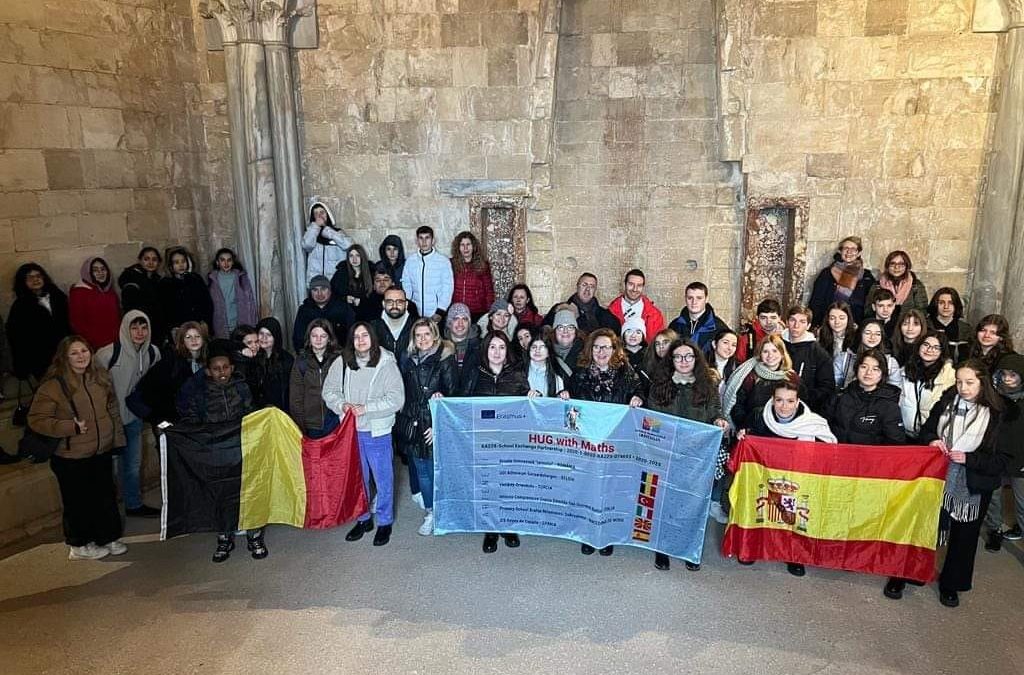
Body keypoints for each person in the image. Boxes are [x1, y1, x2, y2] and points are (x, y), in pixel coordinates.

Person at [885, 360, 1009, 608]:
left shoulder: (999, 413)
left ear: (983, 382)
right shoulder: (947, 400)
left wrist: (970, 459)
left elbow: (1004, 459)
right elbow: (927, 430)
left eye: (970, 382)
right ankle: (909, 572)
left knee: (965, 536)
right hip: (937, 473)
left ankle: (951, 583)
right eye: (959, 382)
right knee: (922, 526)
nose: (963, 388)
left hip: (973, 481)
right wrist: (932, 440)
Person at [28, 336, 127, 561]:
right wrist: (69, 427)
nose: (81, 356)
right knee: (78, 502)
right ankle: (79, 544)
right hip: (71, 455)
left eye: (84, 351)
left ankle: (107, 537)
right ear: (64, 357)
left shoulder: (100, 378)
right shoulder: (54, 386)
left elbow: (112, 409)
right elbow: (37, 419)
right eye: (74, 353)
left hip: (100, 450)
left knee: (105, 496)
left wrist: (116, 439)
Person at [646, 338, 729, 571]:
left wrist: (719, 421)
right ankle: (662, 547)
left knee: (693, 503)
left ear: (696, 359)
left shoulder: (707, 385)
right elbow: (652, 419)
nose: (683, 361)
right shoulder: (659, 386)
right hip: (667, 454)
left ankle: (691, 548)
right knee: (666, 502)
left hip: (697, 456)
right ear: (671, 360)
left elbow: (715, 412)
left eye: (689, 356)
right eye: (678, 357)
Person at [739, 379, 837, 577]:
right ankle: (752, 545)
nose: (784, 406)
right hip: (766, 475)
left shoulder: (813, 424)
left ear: (798, 401)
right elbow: (750, 439)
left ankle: (794, 554)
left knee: (797, 513)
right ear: (772, 399)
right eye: (779, 400)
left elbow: (828, 452)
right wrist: (743, 435)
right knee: (758, 506)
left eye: (790, 401)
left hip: (798, 478)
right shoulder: (759, 415)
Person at [176, 339, 261, 562]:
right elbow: (192, 421)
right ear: (208, 371)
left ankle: (254, 534)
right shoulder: (200, 395)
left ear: (232, 368)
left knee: (248, 491)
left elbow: (252, 414)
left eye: (225, 367)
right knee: (220, 495)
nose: (221, 372)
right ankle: (224, 536)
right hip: (215, 454)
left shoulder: (242, 388)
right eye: (216, 369)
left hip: (241, 449)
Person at [323, 322, 405, 547]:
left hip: (377, 431)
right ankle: (363, 518)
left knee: (383, 479)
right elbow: (329, 391)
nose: (360, 340)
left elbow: (397, 399)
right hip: (350, 431)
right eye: (356, 336)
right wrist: (342, 405)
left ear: (373, 338)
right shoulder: (342, 362)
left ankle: (385, 521)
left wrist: (367, 408)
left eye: (365, 335)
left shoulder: (386, 363)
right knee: (357, 479)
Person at [569, 328, 643, 557]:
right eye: (597, 347)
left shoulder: (626, 373)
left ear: (614, 350)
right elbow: (570, 404)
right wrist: (564, 395)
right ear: (590, 349)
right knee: (587, 487)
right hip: (588, 441)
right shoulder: (579, 374)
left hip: (614, 440)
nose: (601, 352)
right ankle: (587, 533)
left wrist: (638, 397)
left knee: (611, 488)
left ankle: (607, 534)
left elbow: (640, 390)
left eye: (606, 347)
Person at [466, 331, 530, 553]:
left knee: (508, 484)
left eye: (501, 347)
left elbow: (527, 407)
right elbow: (460, 402)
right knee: (488, 485)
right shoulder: (475, 373)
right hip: (483, 439)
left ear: (507, 351)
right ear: (486, 350)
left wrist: (533, 396)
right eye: (492, 347)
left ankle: (508, 526)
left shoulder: (518, 374)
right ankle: (490, 530)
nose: (497, 352)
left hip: (510, 441)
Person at [95, 311, 162, 517]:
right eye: (134, 328)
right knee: (107, 468)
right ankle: (105, 510)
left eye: (144, 327)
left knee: (133, 465)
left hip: (133, 419)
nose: (140, 332)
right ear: (125, 328)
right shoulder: (107, 354)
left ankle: (133, 504)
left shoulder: (152, 353)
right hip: (109, 420)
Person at [396, 318, 456, 536]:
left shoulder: (445, 359)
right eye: (418, 335)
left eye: (427, 334)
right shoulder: (407, 359)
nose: (422, 339)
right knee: (421, 470)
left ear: (435, 335)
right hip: (413, 422)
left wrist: (438, 423)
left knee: (436, 470)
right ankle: (430, 512)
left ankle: (444, 510)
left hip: (434, 421)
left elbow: (453, 394)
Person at [127, 321, 208, 426]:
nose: (194, 340)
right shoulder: (171, 361)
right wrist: (160, 421)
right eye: (188, 337)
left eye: (197, 336)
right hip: (176, 422)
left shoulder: (209, 361)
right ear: (182, 341)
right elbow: (145, 393)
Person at [983, 354, 1024, 551]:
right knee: (993, 496)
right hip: (996, 455)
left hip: (1021, 458)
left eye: (1013, 375)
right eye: (1004, 374)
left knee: (1022, 501)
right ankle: (995, 530)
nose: (1007, 379)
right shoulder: (993, 398)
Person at [722, 334, 801, 434]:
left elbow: (801, 407)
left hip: (784, 432)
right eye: (765, 351)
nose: (770, 355)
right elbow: (738, 407)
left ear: (782, 354)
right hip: (753, 432)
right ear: (760, 354)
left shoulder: (792, 378)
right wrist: (746, 426)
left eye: (774, 351)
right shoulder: (749, 376)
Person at [6, 263, 70, 383]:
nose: (35, 280)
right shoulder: (20, 306)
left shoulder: (58, 296)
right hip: (41, 357)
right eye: (30, 277)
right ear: (23, 281)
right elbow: (16, 337)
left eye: (38, 276)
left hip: (64, 350)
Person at [827, 349, 906, 445]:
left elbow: (895, 443)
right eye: (864, 367)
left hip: (872, 454)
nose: (868, 372)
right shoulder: (840, 397)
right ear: (856, 369)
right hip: (839, 452)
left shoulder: (889, 406)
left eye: (875, 369)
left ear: (882, 374)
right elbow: (824, 431)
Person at [289, 319, 342, 438]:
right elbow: (296, 398)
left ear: (329, 338)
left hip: (335, 421)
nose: (318, 340)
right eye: (314, 336)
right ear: (309, 337)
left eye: (323, 336)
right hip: (311, 424)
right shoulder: (301, 362)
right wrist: (300, 426)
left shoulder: (339, 360)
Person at [899, 331, 956, 441]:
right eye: (926, 345)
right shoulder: (905, 371)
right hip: (905, 435)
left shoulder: (950, 376)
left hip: (932, 437)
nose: (929, 350)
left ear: (942, 352)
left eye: (936, 347)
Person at [808, 236, 877, 326]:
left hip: (855, 325)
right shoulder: (827, 274)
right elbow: (816, 302)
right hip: (829, 323)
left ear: (859, 253)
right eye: (846, 248)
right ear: (840, 251)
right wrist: (817, 325)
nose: (849, 252)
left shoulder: (867, 277)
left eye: (853, 249)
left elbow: (869, 305)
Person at [781, 305, 834, 410]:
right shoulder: (777, 345)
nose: (796, 325)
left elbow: (827, 387)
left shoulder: (819, 353)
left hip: (805, 407)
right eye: (792, 320)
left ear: (808, 326)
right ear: (786, 322)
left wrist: (805, 396)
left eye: (802, 322)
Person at [159, 246, 213, 340]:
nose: (181, 265)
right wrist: (171, 328)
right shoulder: (165, 284)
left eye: (183, 261)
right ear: (170, 266)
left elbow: (206, 302)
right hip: (178, 328)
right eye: (176, 262)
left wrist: (205, 322)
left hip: (197, 325)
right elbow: (164, 309)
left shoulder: (195, 279)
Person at [401, 225, 453, 322]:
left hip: (435, 314)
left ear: (433, 240)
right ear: (417, 241)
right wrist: (409, 306)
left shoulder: (443, 261)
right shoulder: (410, 261)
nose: (424, 242)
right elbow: (406, 284)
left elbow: (447, 287)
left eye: (427, 238)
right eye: (421, 238)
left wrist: (441, 310)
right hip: (415, 313)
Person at [69, 256, 120, 350]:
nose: (100, 273)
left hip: (115, 344)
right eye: (95, 270)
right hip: (94, 346)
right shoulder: (79, 293)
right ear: (88, 272)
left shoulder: (109, 292)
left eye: (103, 269)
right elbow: (78, 324)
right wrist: (92, 344)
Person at [542, 273, 621, 334]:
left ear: (595, 290)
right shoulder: (560, 309)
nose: (587, 289)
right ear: (577, 286)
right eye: (584, 285)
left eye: (592, 286)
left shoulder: (603, 315)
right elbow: (544, 330)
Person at [118, 247, 166, 347]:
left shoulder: (157, 281)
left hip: (157, 331)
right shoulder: (131, 279)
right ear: (140, 260)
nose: (150, 262)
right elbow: (130, 308)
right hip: (141, 330)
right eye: (146, 259)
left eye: (154, 259)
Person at [292, 275, 355, 350]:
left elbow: (352, 334)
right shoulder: (304, 311)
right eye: (315, 290)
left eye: (323, 289)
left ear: (330, 291)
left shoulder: (343, 308)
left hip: (339, 353)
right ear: (310, 292)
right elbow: (298, 338)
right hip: (312, 354)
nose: (319, 293)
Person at [668, 282, 731, 355]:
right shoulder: (674, 325)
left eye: (699, 298)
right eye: (690, 298)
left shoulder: (719, 327)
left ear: (706, 299)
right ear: (685, 299)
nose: (694, 302)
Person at [207, 247, 257, 339]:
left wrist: (252, 322)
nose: (226, 263)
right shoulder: (212, 279)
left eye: (229, 260)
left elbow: (250, 301)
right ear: (217, 262)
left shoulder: (241, 277)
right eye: (222, 260)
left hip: (239, 322)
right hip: (220, 324)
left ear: (233, 262)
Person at [303, 200, 354, 284]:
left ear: (327, 214)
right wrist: (315, 227)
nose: (319, 216)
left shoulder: (337, 232)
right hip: (317, 283)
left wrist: (329, 232)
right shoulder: (311, 234)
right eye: (316, 213)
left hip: (335, 282)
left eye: (322, 212)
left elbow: (349, 246)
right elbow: (307, 245)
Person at [607, 269, 665, 340]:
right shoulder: (609, 312)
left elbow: (659, 342)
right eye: (631, 284)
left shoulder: (655, 315)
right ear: (624, 284)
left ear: (643, 287)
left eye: (639, 285)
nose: (635, 289)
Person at [866, 250, 928, 317]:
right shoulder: (877, 286)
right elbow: (868, 310)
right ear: (887, 266)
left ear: (906, 266)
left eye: (901, 264)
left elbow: (922, 311)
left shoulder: (916, 286)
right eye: (892, 264)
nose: (896, 267)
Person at [842, 319, 902, 387]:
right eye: (868, 333)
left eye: (877, 334)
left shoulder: (890, 362)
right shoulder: (845, 358)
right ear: (860, 334)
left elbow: (896, 389)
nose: (873, 337)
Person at [450, 231, 495, 320]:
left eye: (468, 244)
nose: (465, 248)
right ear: (458, 247)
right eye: (462, 245)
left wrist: (490, 312)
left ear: (474, 246)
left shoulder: (483, 265)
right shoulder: (451, 264)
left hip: (477, 311)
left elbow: (489, 291)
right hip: (457, 311)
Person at [255, 318, 293, 412]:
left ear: (276, 337)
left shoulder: (286, 359)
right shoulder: (253, 357)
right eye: (261, 333)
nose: (264, 338)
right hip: (258, 410)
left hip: (281, 411)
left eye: (269, 335)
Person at [817, 302, 858, 388]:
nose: (837, 322)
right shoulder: (822, 335)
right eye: (832, 318)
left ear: (848, 319)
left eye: (841, 318)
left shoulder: (857, 336)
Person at [444, 303, 482, 395]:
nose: (460, 323)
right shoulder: (440, 346)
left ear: (469, 323)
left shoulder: (481, 346)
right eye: (456, 318)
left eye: (464, 319)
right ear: (449, 323)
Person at [927, 287, 972, 363]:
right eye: (941, 303)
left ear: (956, 305)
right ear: (935, 304)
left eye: (950, 303)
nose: (946, 307)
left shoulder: (965, 329)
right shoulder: (925, 325)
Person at [372, 286, 417, 357]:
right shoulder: (372, 327)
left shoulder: (417, 326)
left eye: (399, 302)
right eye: (389, 302)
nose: (394, 306)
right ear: (383, 304)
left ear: (406, 304)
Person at [330, 244, 373, 315]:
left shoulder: (372, 273)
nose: (354, 259)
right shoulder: (341, 273)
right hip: (345, 312)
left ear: (362, 256)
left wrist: (361, 302)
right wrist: (345, 298)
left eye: (357, 255)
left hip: (366, 313)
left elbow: (374, 298)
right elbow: (332, 293)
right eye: (351, 256)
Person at [524, 334, 571, 398]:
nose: (537, 350)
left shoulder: (557, 374)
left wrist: (562, 395)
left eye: (542, 347)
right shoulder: (519, 370)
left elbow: (556, 399)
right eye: (534, 347)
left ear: (548, 352)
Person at [736, 299, 783, 363]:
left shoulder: (787, 337)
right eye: (763, 318)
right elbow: (740, 365)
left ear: (779, 318)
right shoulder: (747, 340)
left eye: (773, 318)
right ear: (757, 318)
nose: (768, 322)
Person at [637, 328, 679, 396]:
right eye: (657, 344)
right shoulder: (647, 367)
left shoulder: (682, 367)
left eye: (665, 342)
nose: (661, 346)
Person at [550, 308, 584, 376]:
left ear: (576, 331)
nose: (565, 331)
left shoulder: (585, 352)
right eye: (561, 327)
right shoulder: (545, 352)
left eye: (570, 327)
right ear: (554, 331)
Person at [709, 328, 739, 394]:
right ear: (714, 344)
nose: (729, 348)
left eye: (734, 345)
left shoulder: (738, 369)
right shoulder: (702, 365)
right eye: (725, 343)